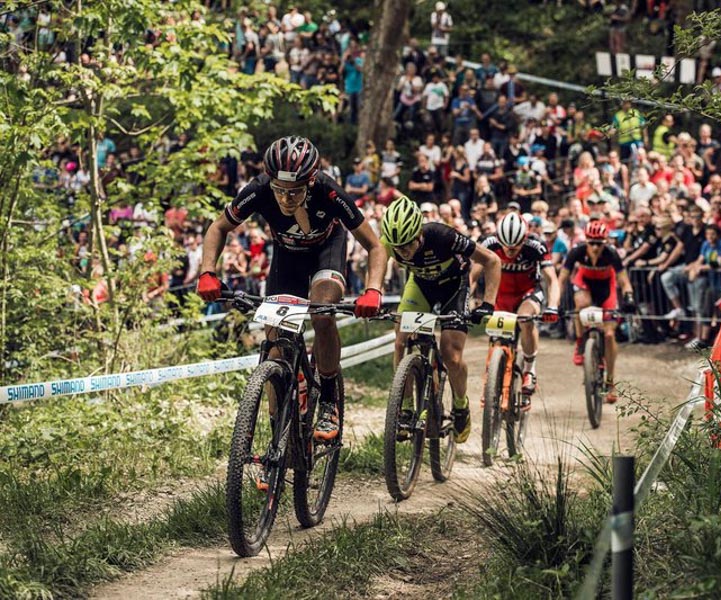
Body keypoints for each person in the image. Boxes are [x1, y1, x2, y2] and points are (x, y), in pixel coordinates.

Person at [197, 137, 388, 441]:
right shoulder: (258, 188)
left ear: (310, 182)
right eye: (280, 191)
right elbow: (218, 227)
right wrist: (207, 272)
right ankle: (279, 439)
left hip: (327, 249)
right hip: (287, 257)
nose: (286, 199)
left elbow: (375, 245)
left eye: (295, 191)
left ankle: (327, 401)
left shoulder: (328, 190)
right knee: (275, 344)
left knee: (322, 313)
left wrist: (373, 290)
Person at [380, 196, 501, 444]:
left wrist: (487, 304)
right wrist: (374, 293)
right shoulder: (389, 243)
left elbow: (492, 260)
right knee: (401, 341)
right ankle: (404, 408)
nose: (402, 252)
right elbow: (378, 266)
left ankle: (460, 405)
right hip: (421, 286)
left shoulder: (442, 235)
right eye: (397, 247)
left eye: (407, 245)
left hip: (453, 287)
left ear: (418, 235)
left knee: (451, 354)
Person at [478, 213, 561, 403]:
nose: (509, 251)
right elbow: (473, 276)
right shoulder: (489, 244)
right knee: (496, 339)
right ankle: (490, 382)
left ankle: (530, 369)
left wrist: (553, 306)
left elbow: (552, 280)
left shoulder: (536, 246)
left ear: (523, 240)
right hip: (500, 294)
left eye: (514, 248)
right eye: (505, 246)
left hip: (527, 293)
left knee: (526, 319)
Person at [558, 221, 635, 403]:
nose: (594, 247)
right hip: (584, 283)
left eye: (598, 243)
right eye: (591, 242)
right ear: (586, 241)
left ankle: (610, 381)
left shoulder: (611, 253)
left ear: (605, 242)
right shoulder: (577, 251)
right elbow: (562, 278)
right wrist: (557, 302)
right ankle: (580, 342)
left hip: (606, 288)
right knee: (581, 303)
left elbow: (623, 280)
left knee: (609, 334)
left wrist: (629, 297)